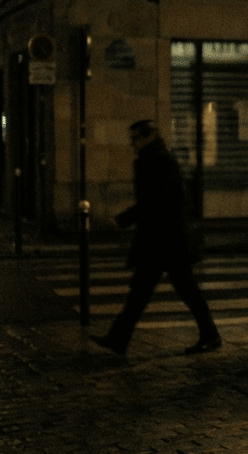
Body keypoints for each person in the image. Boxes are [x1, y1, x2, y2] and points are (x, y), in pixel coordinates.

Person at [90, 120, 222, 356]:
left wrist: (123, 219)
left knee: (175, 290)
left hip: (166, 239)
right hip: (162, 239)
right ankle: (119, 338)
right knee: (146, 291)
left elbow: (155, 200)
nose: (132, 144)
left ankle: (210, 335)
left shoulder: (160, 160)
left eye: (135, 138)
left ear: (148, 136)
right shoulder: (153, 159)